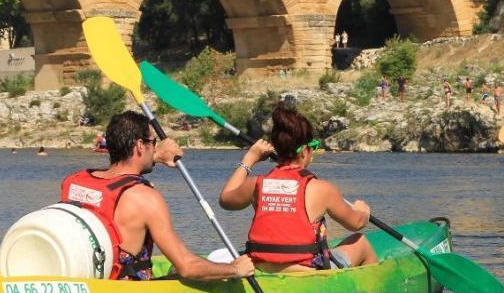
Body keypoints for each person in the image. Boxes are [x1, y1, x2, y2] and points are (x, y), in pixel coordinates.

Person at [61, 111, 255, 282]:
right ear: (139, 145)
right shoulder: (145, 198)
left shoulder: (75, 181)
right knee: (185, 271)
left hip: (89, 277)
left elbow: (116, 179)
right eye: (153, 143)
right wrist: (236, 269)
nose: (155, 148)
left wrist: (155, 157)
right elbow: (187, 267)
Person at [219, 103, 378, 272]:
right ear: (304, 152)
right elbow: (356, 223)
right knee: (361, 242)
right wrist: (363, 211)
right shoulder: (322, 189)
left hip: (262, 267)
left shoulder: (256, 184)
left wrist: (250, 158)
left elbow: (225, 199)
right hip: (306, 272)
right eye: (313, 147)